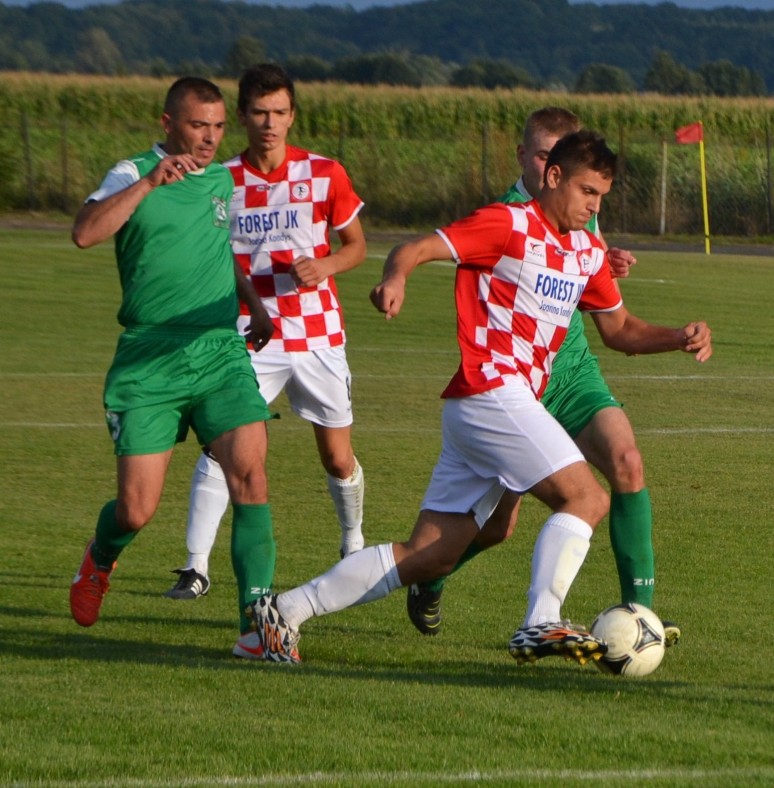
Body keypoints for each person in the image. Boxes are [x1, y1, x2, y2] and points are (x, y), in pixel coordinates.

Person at [246, 130, 712, 665]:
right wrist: (394, 279)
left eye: (602, 196)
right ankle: (540, 622)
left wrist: (678, 337)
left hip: (494, 405)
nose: (593, 205)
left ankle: (283, 613)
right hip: (491, 388)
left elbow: (621, 328)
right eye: (587, 191)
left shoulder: (586, 251)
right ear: (553, 177)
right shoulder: (509, 223)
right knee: (586, 497)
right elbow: (416, 247)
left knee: (429, 553)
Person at [406, 107, 682, 650]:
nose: (546, 163)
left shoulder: (582, 207)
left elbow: (596, 292)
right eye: (539, 153)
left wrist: (608, 262)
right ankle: (431, 575)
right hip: (513, 383)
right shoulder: (505, 218)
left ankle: (640, 616)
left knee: (626, 462)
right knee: (497, 528)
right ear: (529, 160)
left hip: (570, 371)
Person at [68, 76, 277, 657]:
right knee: (136, 510)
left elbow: (215, 246)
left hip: (217, 351)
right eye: (196, 126)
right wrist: (149, 183)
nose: (209, 138)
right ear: (168, 126)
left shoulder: (221, 178)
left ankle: (257, 627)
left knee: (251, 476)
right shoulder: (131, 172)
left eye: (216, 126)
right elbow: (85, 233)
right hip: (149, 359)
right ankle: (100, 557)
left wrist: (253, 303)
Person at [163, 64, 367, 632]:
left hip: (320, 334)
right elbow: (207, 247)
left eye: (279, 112)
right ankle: (195, 566)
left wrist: (324, 264)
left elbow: (356, 246)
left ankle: (353, 542)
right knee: (222, 448)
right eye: (258, 112)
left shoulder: (324, 173)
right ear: (243, 117)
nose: (269, 123)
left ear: (292, 115)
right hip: (249, 336)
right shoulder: (222, 179)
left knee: (335, 456)